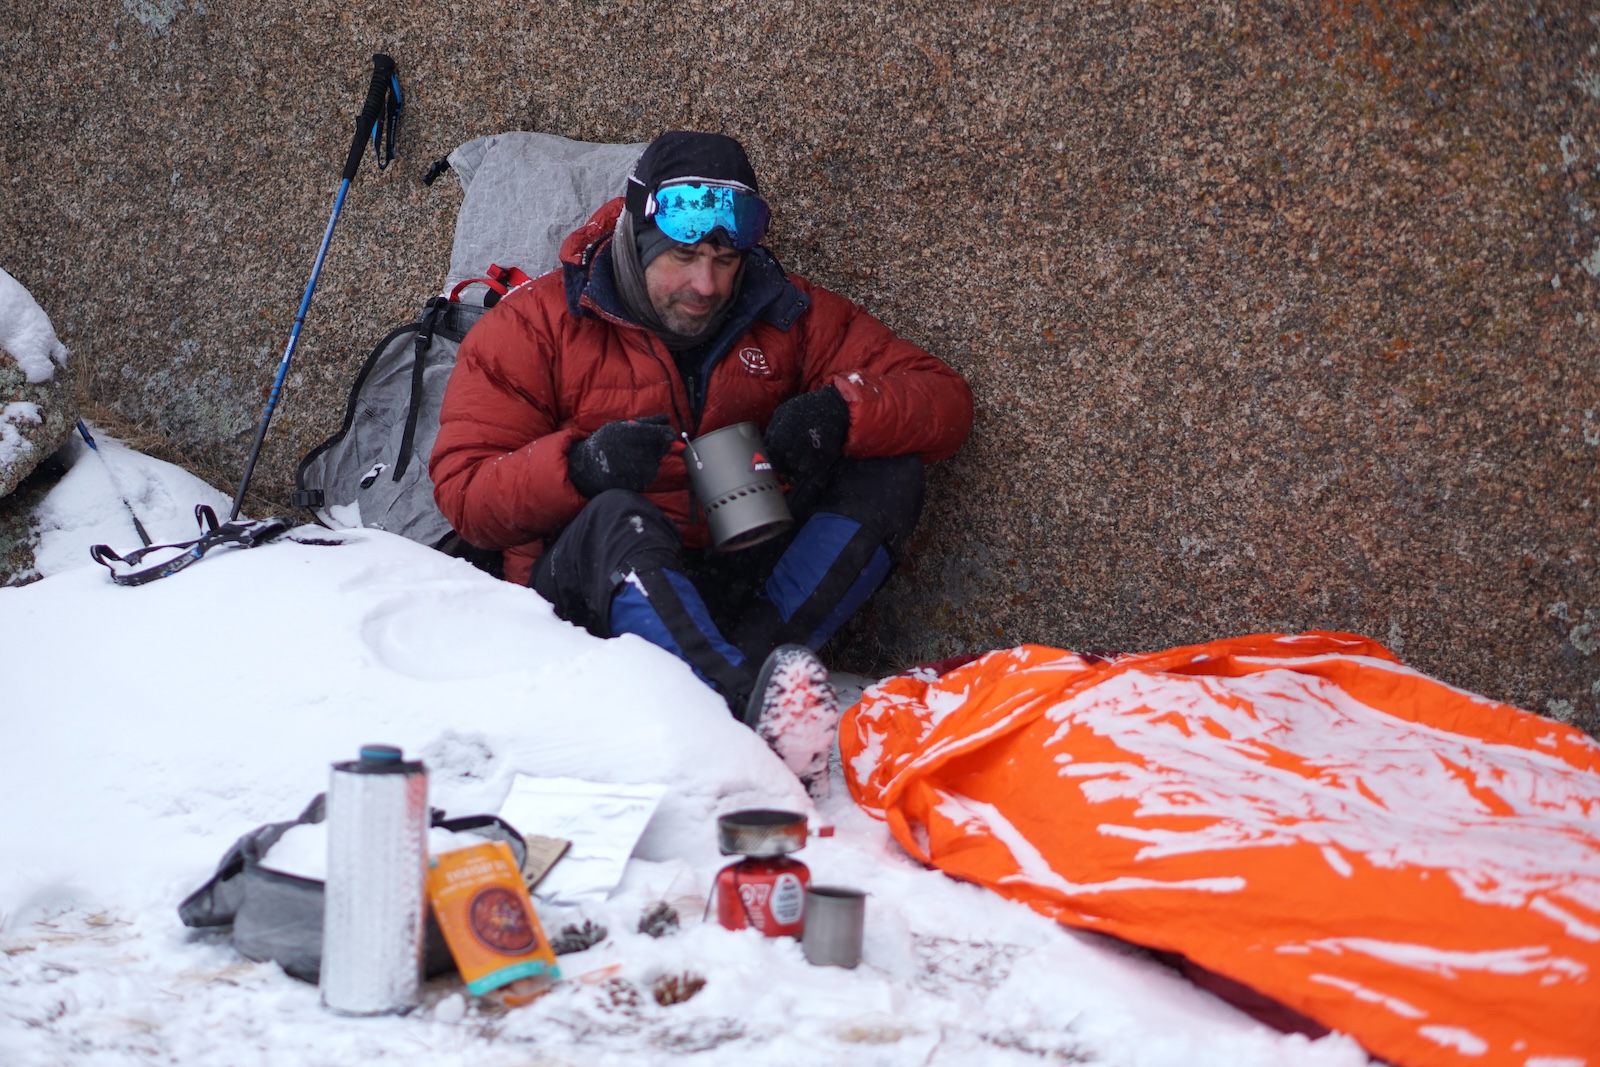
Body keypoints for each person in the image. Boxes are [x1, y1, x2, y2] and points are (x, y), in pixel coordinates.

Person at [431, 131, 972, 787]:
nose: (705, 284)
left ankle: (747, 677)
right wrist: (580, 468)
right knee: (616, 518)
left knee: (889, 466)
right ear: (636, 239)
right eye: (683, 256)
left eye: (724, 259)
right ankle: (743, 709)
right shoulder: (537, 324)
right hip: (587, 611)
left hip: (730, 577)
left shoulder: (780, 309)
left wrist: (839, 411)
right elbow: (464, 494)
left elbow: (942, 396)